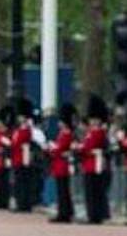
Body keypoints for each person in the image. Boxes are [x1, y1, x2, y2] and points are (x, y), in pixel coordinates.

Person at [79, 96, 111, 224]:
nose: (92, 122)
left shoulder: (98, 132)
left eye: (94, 119)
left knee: (94, 191)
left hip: (95, 165)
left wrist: (81, 148)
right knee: (90, 191)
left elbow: (89, 147)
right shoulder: (92, 132)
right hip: (90, 164)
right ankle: (92, 214)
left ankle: (95, 215)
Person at [47, 104, 77, 223]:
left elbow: (60, 148)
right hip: (60, 164)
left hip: (62, 165)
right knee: (63, 190)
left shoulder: (66, 133)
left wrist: (51, 148)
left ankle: (64, 213)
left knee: (63, 191)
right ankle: (65, 212)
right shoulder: (64, 133)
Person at [9, 98, 39, 212]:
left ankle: (24, 204)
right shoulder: (19, 129)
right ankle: (20, 203)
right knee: (19, 182)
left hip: (23, 159)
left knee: (24, 182)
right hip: (17, 158)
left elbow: (23, 144)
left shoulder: (27, 129)